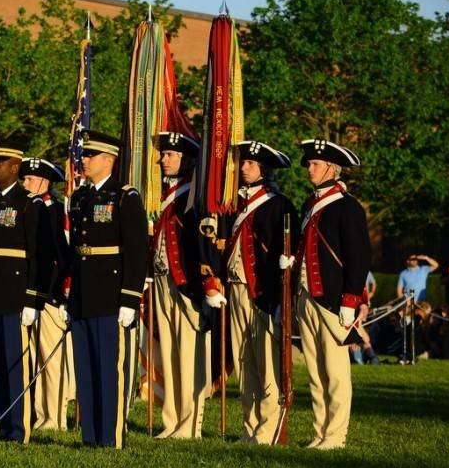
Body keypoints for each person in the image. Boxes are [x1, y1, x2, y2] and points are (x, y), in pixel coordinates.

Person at [282, 138, 370, 450]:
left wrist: (350, 299)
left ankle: (336, 436)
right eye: (309, 163)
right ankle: (320, 432)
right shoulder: (310, 205)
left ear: (331, 168)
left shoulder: (347, 207)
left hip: (333, 301)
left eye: (315, 164)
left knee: (335, 371)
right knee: (316, 373)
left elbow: (359, 257)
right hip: (307, 297)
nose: (309, 168)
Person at [66, 131, 147, 448]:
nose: (84, 160)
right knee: (85, 368)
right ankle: (91, 437)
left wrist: (130, 297)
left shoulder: (125, 197)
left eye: (90, 156)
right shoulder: (82, 198)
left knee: (110, 369)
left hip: (112, 295)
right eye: (84, 155)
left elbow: (137, 251)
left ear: (109, 160)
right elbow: (77, 249)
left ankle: (111, 437)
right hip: (84, 294)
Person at [0, 138, 51, 443]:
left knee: (16, 365)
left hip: (16, 295)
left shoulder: (30, 203)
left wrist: (33, 298)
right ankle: (3, 424)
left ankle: (19, 428)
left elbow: (40, 254)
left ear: (15, 167)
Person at [150, 131, 222, 440]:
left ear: (186, 159)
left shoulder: (195, 197)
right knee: (169, 352)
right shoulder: (166, 196)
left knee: (190, 355)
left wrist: (209, 284)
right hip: (163, 282)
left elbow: (203, 244)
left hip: (187, 285)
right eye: (164, 155)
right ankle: (173, 420)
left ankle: (191, 423)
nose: (162, 159)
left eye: (170, 155)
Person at [225, 140, 298, 444]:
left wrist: (283, 294)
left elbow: (288, 254)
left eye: (250, 164)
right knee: (244, 362)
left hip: (262, 293)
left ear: (264, 169)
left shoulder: (278, 205)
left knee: (266, 363)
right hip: (235, 290)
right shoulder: (235, 204)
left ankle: (268, 427)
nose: (244, 168)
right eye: (243, 163)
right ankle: (249, 425)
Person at [20, 156, 75, 431]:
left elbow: (62, 256)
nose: (25, 182)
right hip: (33, 294)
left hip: (51, 295)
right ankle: (41, 413)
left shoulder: (55, 211)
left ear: (45, 181)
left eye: (30, 178)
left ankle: (54, 416)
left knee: (52, 362)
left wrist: (61, 293)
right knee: (36, 361)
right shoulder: (31, 208)